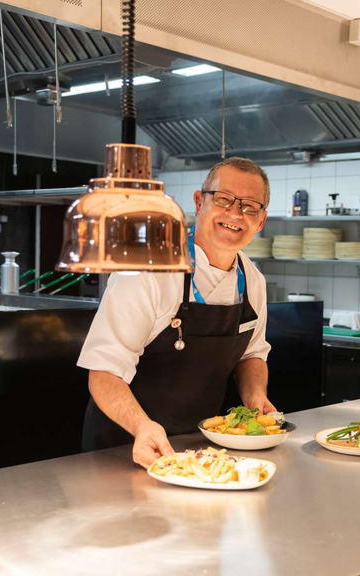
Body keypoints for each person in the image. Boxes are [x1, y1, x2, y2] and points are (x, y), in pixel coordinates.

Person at [77, 157, 276, 468]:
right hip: (123, 448)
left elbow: (251, 355)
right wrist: (142, 426)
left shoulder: (253, 281)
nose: (235, 214)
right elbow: (104, 372)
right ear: (199, 201)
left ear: (261, 220)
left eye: (249, 206)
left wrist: (255, 397)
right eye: (223, 199)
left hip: (198, 454)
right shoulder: (148, 270)